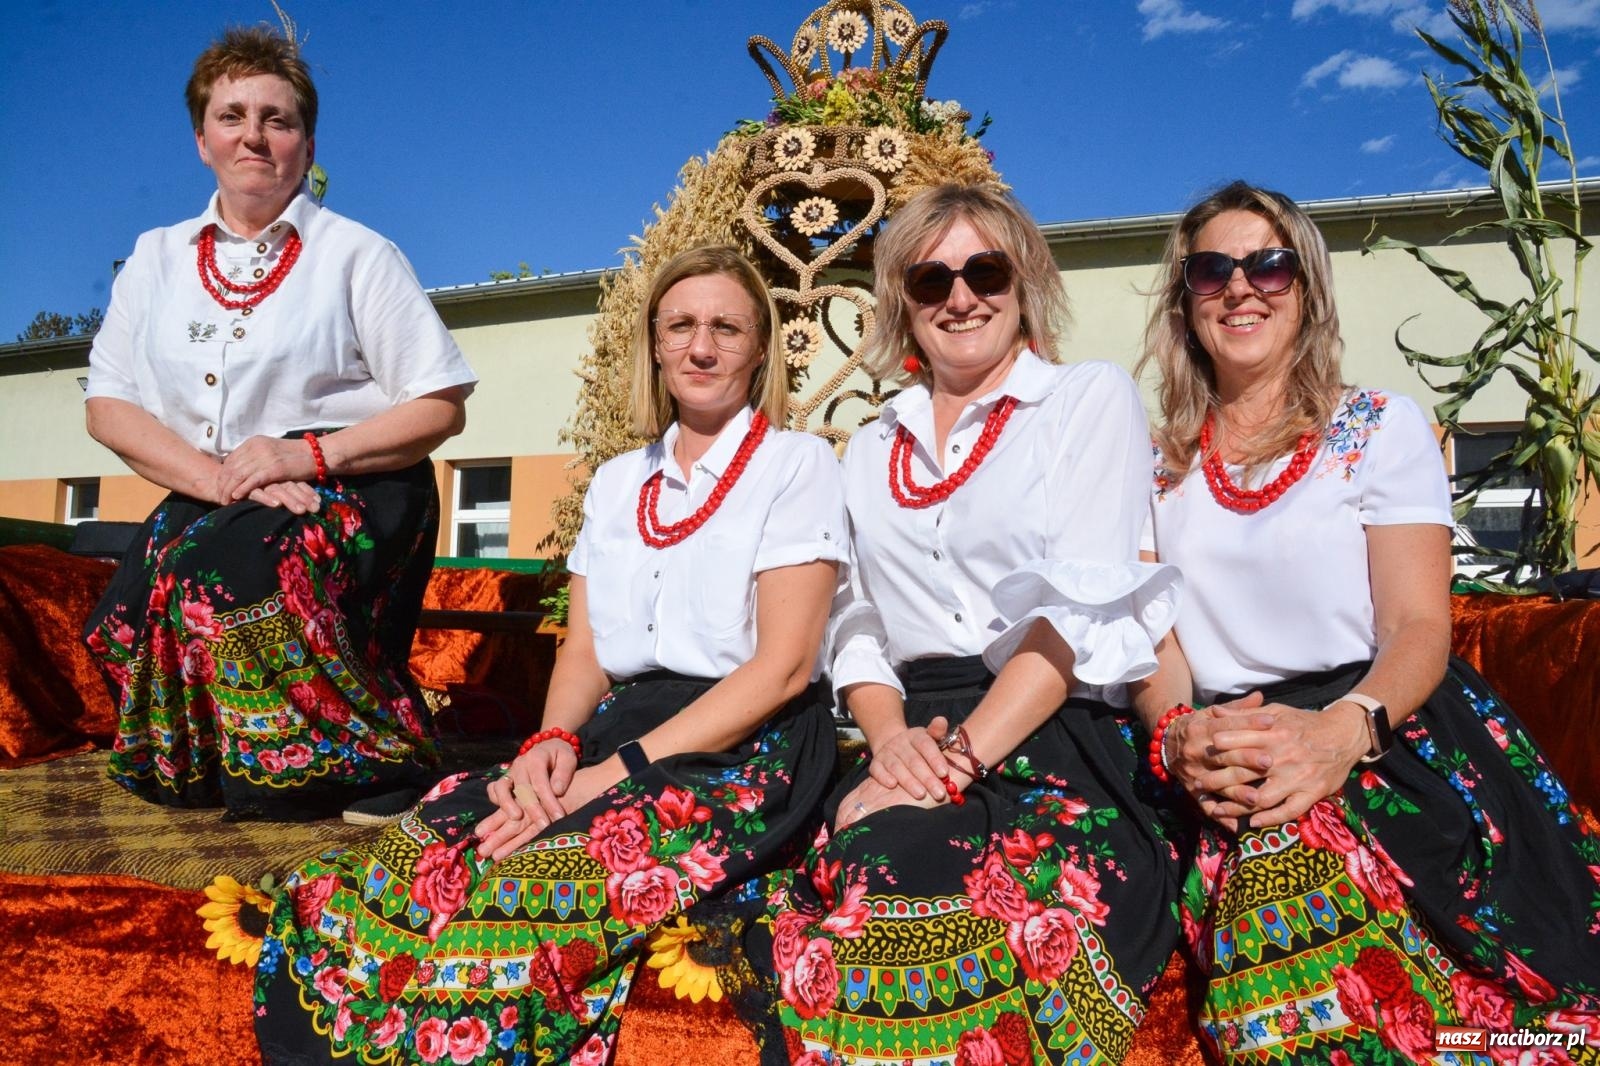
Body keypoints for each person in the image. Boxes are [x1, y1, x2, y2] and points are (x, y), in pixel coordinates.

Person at [254, 244, 848, 1064]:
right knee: (413, 860)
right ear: (655, 344)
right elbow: (585, 654)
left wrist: (618, 773)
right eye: (680, 325)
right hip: (622, 725)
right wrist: (553, 745)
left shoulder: (797, 465)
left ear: (758, 348)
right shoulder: (615, 483)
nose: (701, 347)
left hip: (747, 743)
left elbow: (781, 667)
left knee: (528, 895)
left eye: (725, 327)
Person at [1134, 179, 1600, 1063]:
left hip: (1380, 723)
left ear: (1304, 288)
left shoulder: (1377, 426)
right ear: (1184, 298)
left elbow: (1421, 625)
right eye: (1211, 269)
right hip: (1225, 743)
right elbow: (1154, 645)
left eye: (1268, 263)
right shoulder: (1149, 462)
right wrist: (1181, 736)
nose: (1241, 286)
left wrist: (1344, 733)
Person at [757, 183, 1185, 1064]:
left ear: (1023, 280)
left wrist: (954, 764)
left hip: (1052, 722)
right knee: (861, 917)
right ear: (902, 306)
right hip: (915, 732)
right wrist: (889, 744)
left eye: (985, 269)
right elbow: (854, 615)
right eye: (930, 280)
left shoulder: (1084, 401)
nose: (961, 296)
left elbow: (1076, 607)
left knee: (966, 941)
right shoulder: (873, 445)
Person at [80, 26, 476, 822]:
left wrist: (306, 458)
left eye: (278, 119)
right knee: (127, 611)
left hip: (356, 480)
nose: (253, 136)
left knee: (229, 574)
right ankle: (210, 764)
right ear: (201, 139)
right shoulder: (154, 258)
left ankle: (371, 766)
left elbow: (439, 405)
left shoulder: (357, 254)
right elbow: (109, 405)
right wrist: (224, 479)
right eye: (232, 116)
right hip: (222, 485)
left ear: (306, 142)